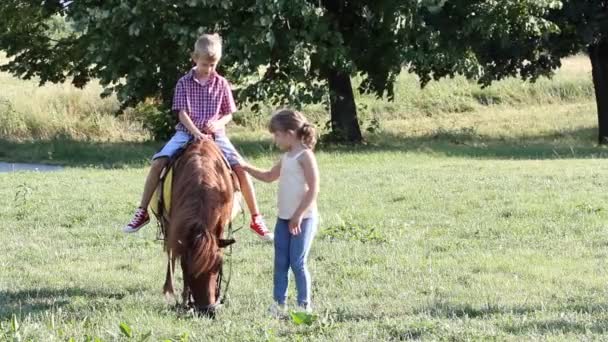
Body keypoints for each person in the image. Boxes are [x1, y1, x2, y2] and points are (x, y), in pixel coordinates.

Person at [122, 33, 273, 242]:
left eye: (213, 64)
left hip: (216, 135)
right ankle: (142, 211)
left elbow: (229, 113)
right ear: (194, 58)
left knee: (241, 167)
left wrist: (218, 124)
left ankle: (257, 218)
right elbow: (182, 113)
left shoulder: (221, 83)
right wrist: (196, 132)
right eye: (205, 64)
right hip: (186, 133)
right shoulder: (184, 83)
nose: (209, 69)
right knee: (158, 163)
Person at [242, 109, 320, 316]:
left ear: (290, 133)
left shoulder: (305, 156)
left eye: (277, 134)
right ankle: (278, 305)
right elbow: (268, 176)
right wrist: (244, 167)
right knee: (280, 263)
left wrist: (298, 215)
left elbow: (313, 189)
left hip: (303, 219)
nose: (275, 139)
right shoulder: (287, 156)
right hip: (283, 218)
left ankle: (304, 306)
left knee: (297, 262)